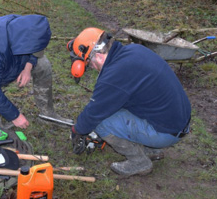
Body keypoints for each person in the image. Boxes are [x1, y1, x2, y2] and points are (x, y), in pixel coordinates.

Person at [67, 28, 192, 176]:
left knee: (101, 123)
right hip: (178, 122)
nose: (92, 67)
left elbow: (93, 114)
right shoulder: (134, 50)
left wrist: (77, 130)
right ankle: (150, 149)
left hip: (166, 132)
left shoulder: (114, 76)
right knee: (114, 109)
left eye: (90, 63)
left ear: (99, 56)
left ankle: (139, 162)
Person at [0, 14, 70, 132]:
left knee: (43, 64)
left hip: (7, 65)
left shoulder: (23, 26)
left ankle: (47, 113)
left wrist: (28, 66)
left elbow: (36, 51)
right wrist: (15, 116)